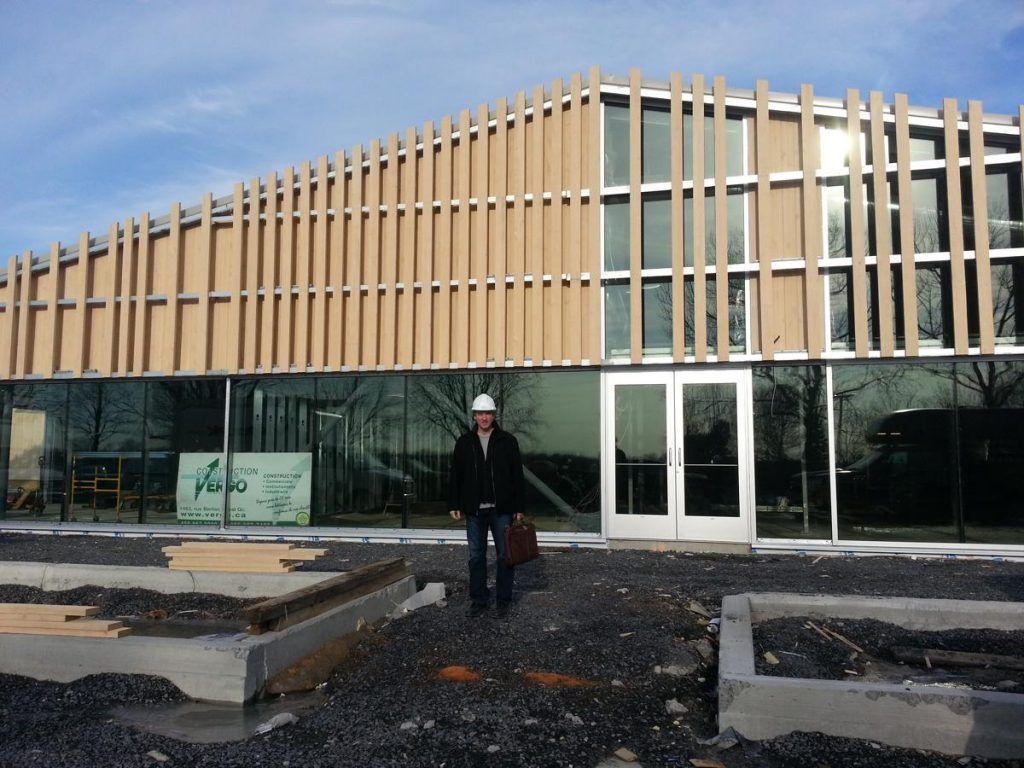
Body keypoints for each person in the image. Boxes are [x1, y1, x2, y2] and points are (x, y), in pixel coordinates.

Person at [448, 393, 525, 618]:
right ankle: (479, 601)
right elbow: (456, 475)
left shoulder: (508, 441)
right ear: (474, 416)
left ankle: (503, 600)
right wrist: (454, 503)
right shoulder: (464, 442)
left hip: (502, 510)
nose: (484, 417)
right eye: (480, 413)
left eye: (488, 413)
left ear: (493, 415)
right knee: (476, 557)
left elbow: (516, 476)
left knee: (504, 556)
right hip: (474, 510)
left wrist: (519, 507)